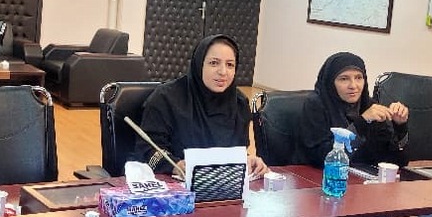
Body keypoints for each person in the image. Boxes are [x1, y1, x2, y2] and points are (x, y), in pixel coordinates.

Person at [135, 34, 268, 177]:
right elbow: (147, 149)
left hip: (221, 184)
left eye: (230, 65)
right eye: (214, 63)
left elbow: (236, 151)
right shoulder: (166, 98)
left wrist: (248, 160)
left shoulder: (239, 103)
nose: (223, 72)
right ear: (199, 64)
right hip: (172, 183)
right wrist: (174, 165)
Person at [295, 52, 409, 168]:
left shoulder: (369, 105)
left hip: (363, 176)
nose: (353, 86)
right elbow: (322, 158)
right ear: (330, 82)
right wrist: (362, 122)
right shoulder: (316, 105)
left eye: (358, 78)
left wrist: (399, 127)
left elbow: (396, 162)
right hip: (324, 176)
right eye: (344, 79)